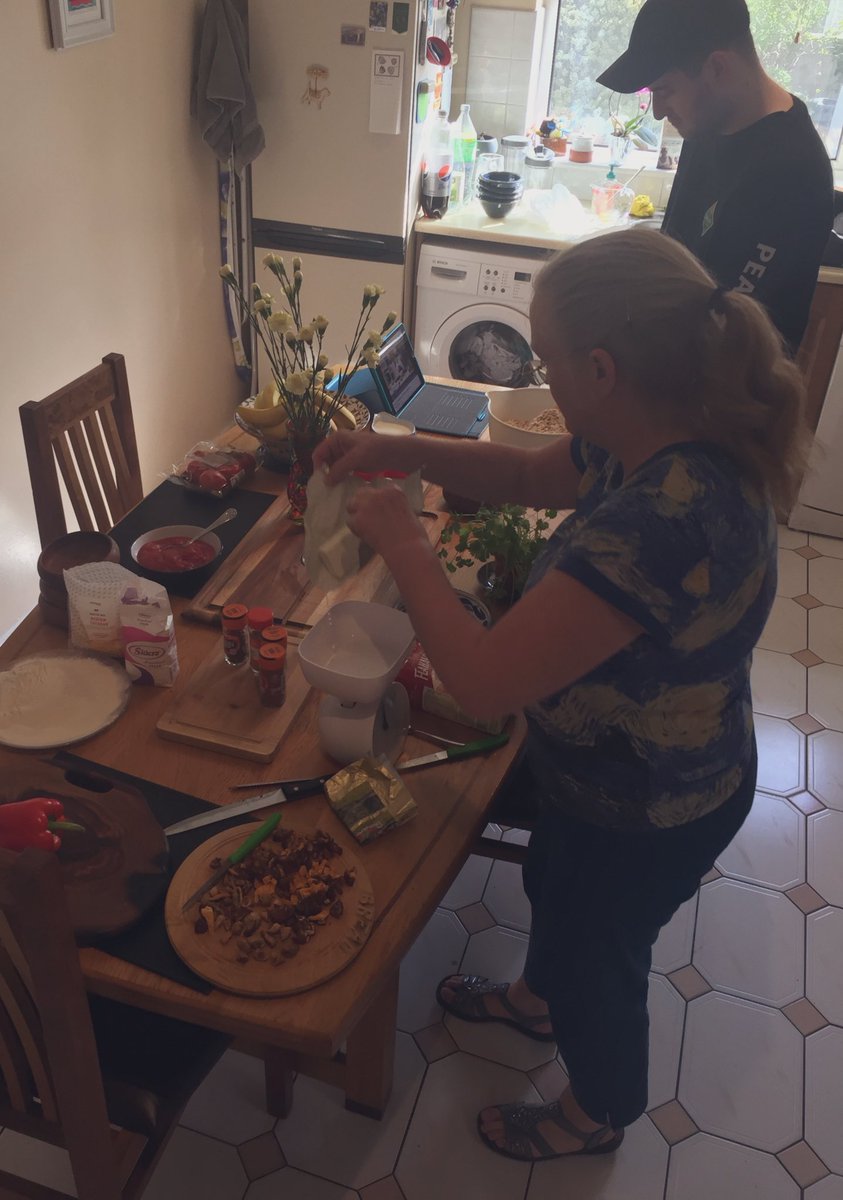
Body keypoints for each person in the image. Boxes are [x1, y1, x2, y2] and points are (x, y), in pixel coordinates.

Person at [312, 228, 808, 1163]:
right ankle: (533, 1003)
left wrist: (405, 545)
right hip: (612, 767)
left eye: (544, 360)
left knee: (599, 960)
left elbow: (485, 683)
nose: (536, 377)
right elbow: (520, 473)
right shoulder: (651, 442)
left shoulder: (662, 522)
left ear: (602, 369)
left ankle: (595, 1112)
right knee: (556, 886)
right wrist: (390, 446)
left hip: (654, 799)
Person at [597, 0, 833, 352]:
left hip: (730, 395)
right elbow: (677, 256)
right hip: (677, 378)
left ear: (717, 67)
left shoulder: (791, 170)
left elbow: (727, 325)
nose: (658, 112)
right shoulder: (707, 126)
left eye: (664, 90)